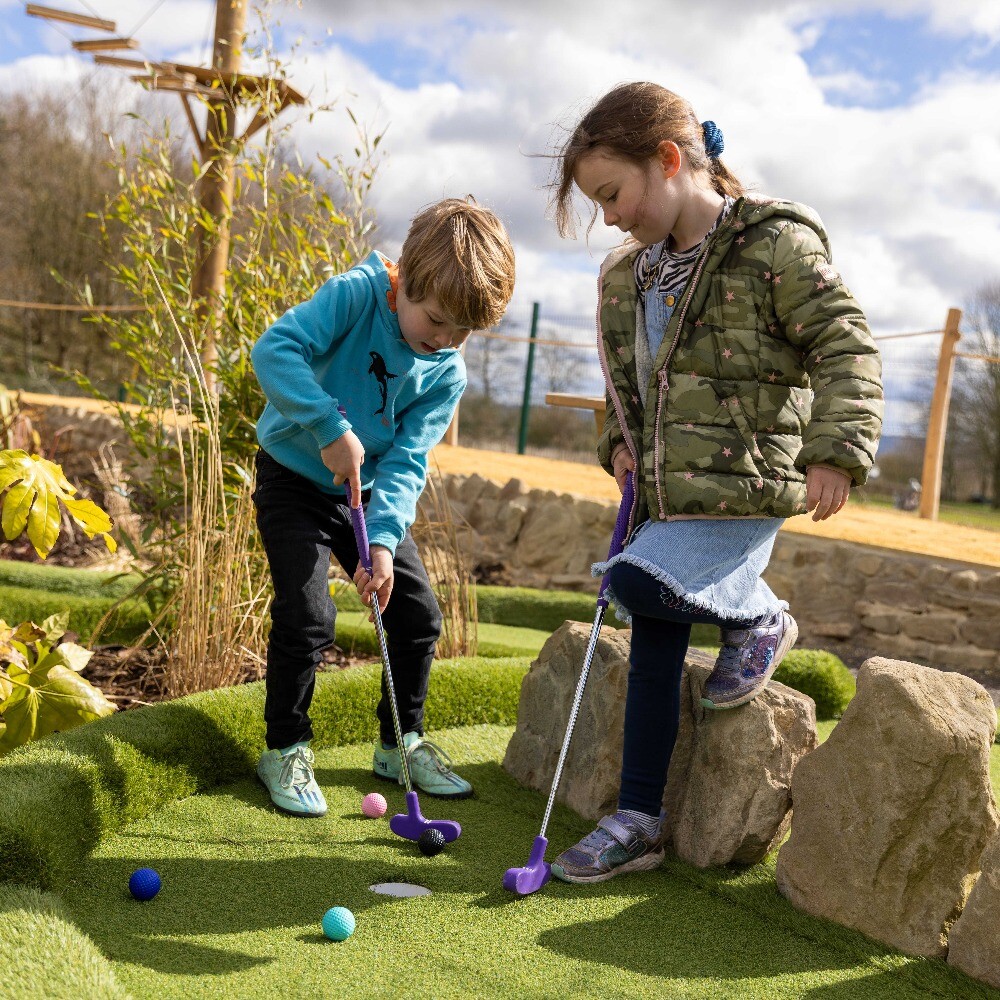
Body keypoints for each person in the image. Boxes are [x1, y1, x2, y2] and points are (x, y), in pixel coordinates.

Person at [547, 82, 883, 882]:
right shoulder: (631, 278)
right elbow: (625, 384)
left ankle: (761, 615)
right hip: (667, 494)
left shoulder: (773, 245)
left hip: (745, 487)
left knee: (631, 579)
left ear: (668, 160)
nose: (611, 217)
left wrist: (837, 450)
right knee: (656, 636)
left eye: (612, 194)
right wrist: (614, 445)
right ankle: (637, 818)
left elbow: (848, 347)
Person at [250, 197, 515, 817]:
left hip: (364, 498)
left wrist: (383, 543)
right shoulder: (356, 295)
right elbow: (274, 352)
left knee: (417, 615)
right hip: (293, 479)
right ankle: (284, 747)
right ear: (405, 282)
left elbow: (408, 462)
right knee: (308, 615)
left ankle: (400, 744)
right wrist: (327, 428)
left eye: (462, 332)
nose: (445, 341)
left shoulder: (445, 370)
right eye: (437, 320)